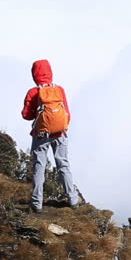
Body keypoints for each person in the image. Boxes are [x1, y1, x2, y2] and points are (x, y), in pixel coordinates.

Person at [21, 59, 80, 212]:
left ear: (34, 74)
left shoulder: (33, 92)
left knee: (39, 167)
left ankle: (37, 203)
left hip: (41, 135)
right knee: (63, 165)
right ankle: (73, 199)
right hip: (60, 133)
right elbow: (67, 113)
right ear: (50, 72)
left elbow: (26, 115)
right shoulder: (59, 89)